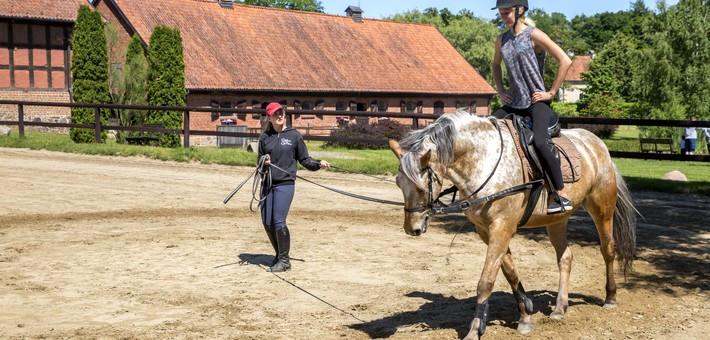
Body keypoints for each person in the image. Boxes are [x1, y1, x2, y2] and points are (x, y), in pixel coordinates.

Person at [491, 0, 573, 214]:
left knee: (539, 141)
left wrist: (551, 93)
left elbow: (565, 60)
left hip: (537, 103)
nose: (503, 16)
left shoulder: (534, 35)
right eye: (501, 12)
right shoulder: (502, 39)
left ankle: (561, 195)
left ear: (520, 11)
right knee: (488, 127)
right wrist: (500, 91)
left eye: (507, 12)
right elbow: (495, 65)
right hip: (514, 103)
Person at [257, 102, 330, 272]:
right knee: (267, 223)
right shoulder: (264, 137)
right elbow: (259, 162)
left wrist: (318, 164)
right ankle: (279, 255)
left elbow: (305, 160)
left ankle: (284, 261)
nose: (279, 116)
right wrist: (263, 162)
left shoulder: (294, 136)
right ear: (269, 117)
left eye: (281, 112)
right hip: (267, 183)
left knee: (278, 221)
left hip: (285, 183)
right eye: (275, 114)